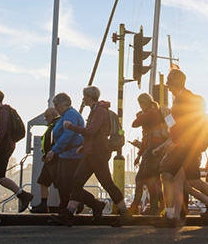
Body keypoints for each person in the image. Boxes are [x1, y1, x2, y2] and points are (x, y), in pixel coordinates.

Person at [153, 69, 208, 228]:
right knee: (167, 174)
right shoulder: (186, 99)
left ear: (176, 81)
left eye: (169, 80)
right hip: (185, 146)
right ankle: (171, 215)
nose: (167, 83)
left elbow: (179, 126)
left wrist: (167, 116)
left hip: (186, 146)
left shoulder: (183, 100)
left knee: (192, 180)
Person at [50, 86, 133, 227]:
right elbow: (94, 134)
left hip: (98, 153)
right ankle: (69, 214)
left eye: (85, 96)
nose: (83, 99)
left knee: (107, 183)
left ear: (90, 97)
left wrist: (71, 127)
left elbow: (91, 131)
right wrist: (83, 146)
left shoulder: (99, 111)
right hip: (91, 153)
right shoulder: (95, 111)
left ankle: (125, 213)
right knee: (76, 181)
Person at [0, 89, 34, 213]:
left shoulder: (3, 112)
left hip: (4, 146)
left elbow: (1, 132)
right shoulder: (5, 111)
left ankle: (22, 194)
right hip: (6, 145)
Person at [45, 93, 85, 224]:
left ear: (62, 104)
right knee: (62, 184)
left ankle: (93, 204)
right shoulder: (64, 116)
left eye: (56, 105)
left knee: (69, 184)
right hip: (65, 155)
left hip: (72, 155)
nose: (55, 108)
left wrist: (54, 150)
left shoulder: (70, 115)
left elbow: (68, 134)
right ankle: (64, 211)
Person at [130, 93, 167, 215]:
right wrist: (139, 155)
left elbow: (135, 123)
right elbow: (146, 139)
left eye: (140, 104)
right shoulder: (154, 113)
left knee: (145, 178)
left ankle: (153, 206)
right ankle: (158, 204)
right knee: (150, 178)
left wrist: (141, 115)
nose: (140, 106)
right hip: (153, 148)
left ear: (143, 103)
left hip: (153, 149)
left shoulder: (151, 112)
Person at [32, 107, 61, 213]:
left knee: (61, 183)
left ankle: (77, 202)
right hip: (49, 159)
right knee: (43, 181)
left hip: (54, 159)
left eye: (46, 117)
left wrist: (52, 152)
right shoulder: (53, 125)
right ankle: (43, 204)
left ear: (52, 115)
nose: (45, 120)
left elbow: (54, 140)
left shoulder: (57, 124)